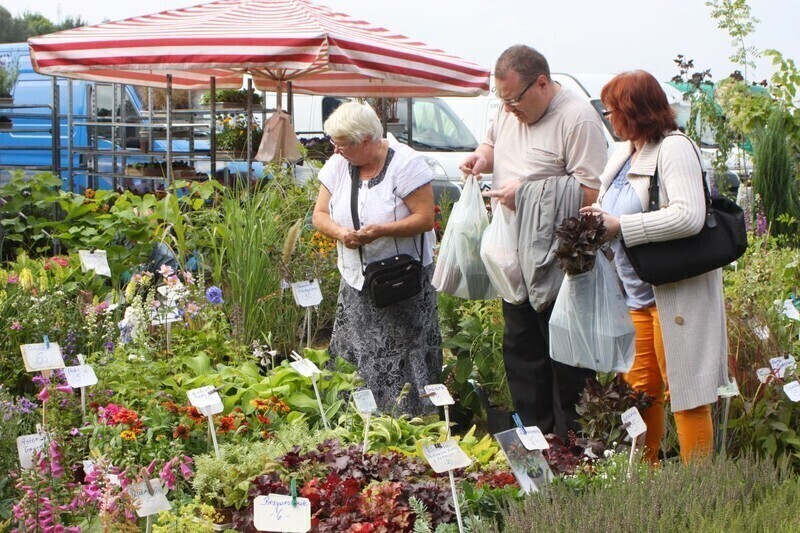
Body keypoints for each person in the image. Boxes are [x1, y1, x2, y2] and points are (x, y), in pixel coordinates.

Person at [460, 45, 608, 437]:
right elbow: (493, 144)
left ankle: (573, 448)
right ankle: (534, 443)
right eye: (502, 100)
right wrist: (481, 158)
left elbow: (592, 192)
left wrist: (526, 193)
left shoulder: (577, 118)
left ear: (542, 83)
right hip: (512, 257)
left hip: (558, 262)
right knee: (522, 355)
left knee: (566, 361)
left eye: (514, 100)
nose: (509, 110)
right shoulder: (509, 109)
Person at [581, 70, 728, 463]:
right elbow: (615, 208)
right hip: (634, 294)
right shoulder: (624, 152)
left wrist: (621, 226)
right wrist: (597, 218)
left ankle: (699, 487)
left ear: (635, 111)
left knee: (686, 393)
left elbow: (689, 217)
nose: (609, 118)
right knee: (640, 392)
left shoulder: (674, 148)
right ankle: (646, 483)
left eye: (613, 110)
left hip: (674, 293)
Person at [312, 101, 441, 416]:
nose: (337, 150)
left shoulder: (407, 164)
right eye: (334, 143)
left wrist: (381, 231)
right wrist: (341, 233)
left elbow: (425, 218)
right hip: (357, 282)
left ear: (366, 140)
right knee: (358, 354)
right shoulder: (339, 164)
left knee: (403, 356)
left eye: (343, 144)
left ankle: (410, 421)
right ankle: (356, 420)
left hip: (402, 283)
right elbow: (319, 214)